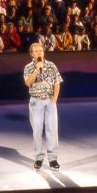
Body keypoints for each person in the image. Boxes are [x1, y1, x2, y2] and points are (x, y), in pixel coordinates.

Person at [23, 42, 63, 170]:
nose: (40, 52)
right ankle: (39, 158)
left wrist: (54, 100)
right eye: (37, 51)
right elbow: (28, 82)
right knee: (37, 131)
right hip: (36, 102)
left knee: (52, 130)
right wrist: (36, 69)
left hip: (50, 101)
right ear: (32, 54)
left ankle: (53, 159)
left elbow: (57, 83)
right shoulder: (28, 67)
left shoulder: (51, 66)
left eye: (41, 50)